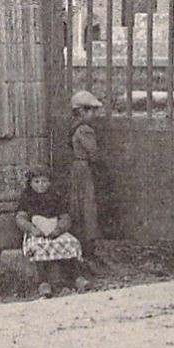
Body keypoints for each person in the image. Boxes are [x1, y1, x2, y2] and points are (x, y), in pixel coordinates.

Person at [16, 167, 89, 297]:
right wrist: (32, 229)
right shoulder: (27, 198)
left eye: (44, 181)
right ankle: (43, 283)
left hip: (55, 229)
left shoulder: (56, 196)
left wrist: (59, 229)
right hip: (37, 231)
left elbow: (65, 216)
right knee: (37, 247)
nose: (40, 185)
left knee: (70, 242)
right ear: (30, 183)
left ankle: (77, 278)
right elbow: (21, 217)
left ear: (49, 183)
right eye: (36, 182)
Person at [68, 90, 104, 257]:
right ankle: (88, 243)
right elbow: (94, 152)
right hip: (83, 168)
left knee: (79, 203)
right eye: (91, 110)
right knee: (87, 204)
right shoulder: (84, 130)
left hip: (77, 167)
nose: (94, 114)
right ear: (82, 111)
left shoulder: (73, 126)